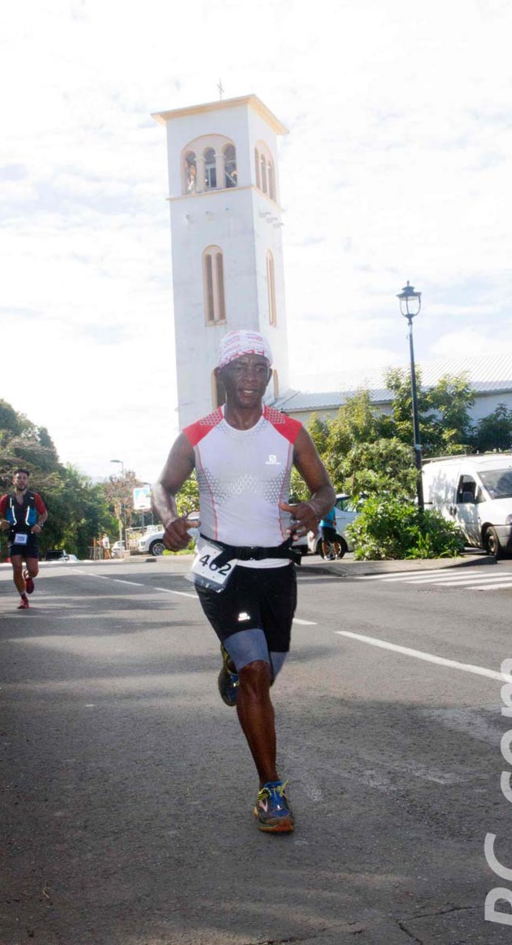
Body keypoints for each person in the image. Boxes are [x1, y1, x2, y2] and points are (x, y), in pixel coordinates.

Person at [152, 330, 335, 834]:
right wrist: (167, 518)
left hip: (276, 568)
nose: (252, 377)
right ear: (222, 376)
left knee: (267, 671)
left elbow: (325, 488)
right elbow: (163, 487)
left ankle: (235, 661)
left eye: (260, 368)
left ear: (268, 376)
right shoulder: (197, 435)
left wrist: (312, 510)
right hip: (222, 568)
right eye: (242, 367)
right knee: (257, 673)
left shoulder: (290, 431)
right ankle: (271, 790)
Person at [0, 469, 48, 609]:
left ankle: (28, 575)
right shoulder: (6, 499)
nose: (22, 480)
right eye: (19, 478)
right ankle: (23, 598)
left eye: (24, 478)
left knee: (34, 570)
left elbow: (44, 514)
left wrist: (39, 524)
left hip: (30, 535)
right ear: (14, 481)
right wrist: (0, 523)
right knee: (16, 567)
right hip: (14, 535)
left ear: (27, 481)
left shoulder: (34, 497)